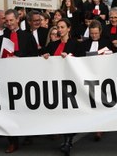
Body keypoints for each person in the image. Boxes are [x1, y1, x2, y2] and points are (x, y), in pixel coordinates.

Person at [0, 9, 38, 153]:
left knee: (25, 108)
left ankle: (28, 133)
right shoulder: (1, 38)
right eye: (6, 21)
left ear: (18, 19)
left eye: (11, 20)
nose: (9, 23)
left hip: (24, 78)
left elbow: (34, 56)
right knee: (8, 110)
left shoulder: (27, 36)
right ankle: (12, 141)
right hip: (6, 79)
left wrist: (19, 60)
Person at [42, 18, 84, 155]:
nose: (59, 30)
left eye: (62, 27)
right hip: (55, 82)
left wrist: (71, 58)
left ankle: (68, 141)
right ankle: (66, 138)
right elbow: (41, 56)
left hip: (70, 83)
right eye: (58, 27)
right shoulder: (53, 45)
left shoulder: (76, 45)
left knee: (69, 112)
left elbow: (83, 62)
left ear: (69, 28)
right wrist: (45, 56)